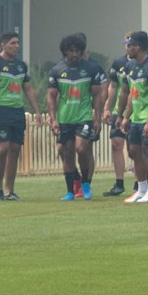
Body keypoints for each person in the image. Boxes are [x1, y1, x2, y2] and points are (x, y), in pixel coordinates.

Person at [0, 32, 45, 201]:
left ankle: (9, 190)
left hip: (17, 111)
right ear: (3, 45)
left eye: (18, 43)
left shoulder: (20, 66)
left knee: (15, 150)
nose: (17, 46)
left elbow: (28, 89)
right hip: (1, 110)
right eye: (13, 43)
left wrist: (37, 111)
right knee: (2, 148)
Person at [46, 33, 105, 201]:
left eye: (78, 51)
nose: (75, 54)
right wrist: (53, 119)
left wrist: (97, 118)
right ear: (65, 51)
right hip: (65, 118)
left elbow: (97, 95)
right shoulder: (57, 70)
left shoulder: (90, 69)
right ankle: (70, 190)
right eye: (71, 51)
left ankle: (86, 183)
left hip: (83, 116)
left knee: (82, 148)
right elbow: (51, 96)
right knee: (67, 152)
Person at [116, 30, 148, 203]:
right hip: (136, 117)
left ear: (138, 46)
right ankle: (141, 189)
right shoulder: (130, 66)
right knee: (134, 151)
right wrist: (125, 116)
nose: (127, 49)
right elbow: (130, 94)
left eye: (129, 45)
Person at [102, 48, 132, 196]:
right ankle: (119, 183)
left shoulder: (145, 64)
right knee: (116, 143)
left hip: (136, 111)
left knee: (134, 150)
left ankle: (142, 183)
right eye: (126, 44)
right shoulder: (118, 63)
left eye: (131, 43)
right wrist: (107, 107)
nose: (128, 47)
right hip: (119, 111)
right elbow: (113, 86)